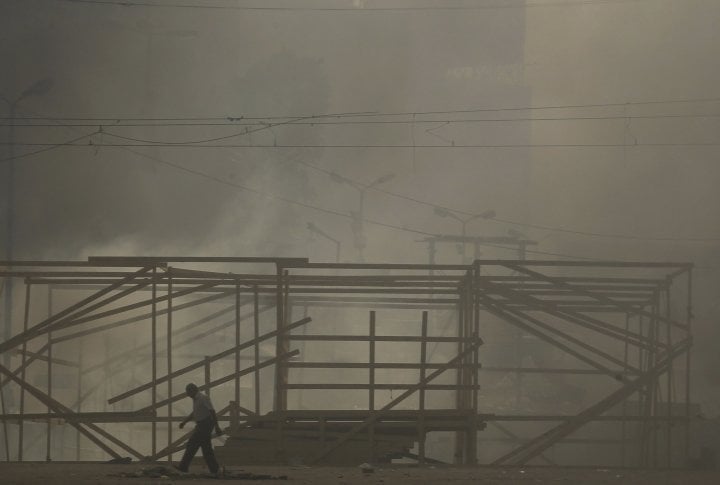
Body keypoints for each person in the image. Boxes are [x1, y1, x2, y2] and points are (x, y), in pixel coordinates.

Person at [176, 383, 222, 475]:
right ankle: (215, 469)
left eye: (188, 392)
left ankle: (183, 467)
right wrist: (184, 422)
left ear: (193, 390)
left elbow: (212, 411)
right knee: (206, 448)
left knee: (192, 444)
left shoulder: (203, 398)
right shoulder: (196, 399)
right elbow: (194, 413)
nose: (187, 395)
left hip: (205, 424)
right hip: (202, 424)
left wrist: (217, 427)